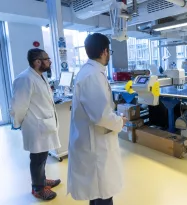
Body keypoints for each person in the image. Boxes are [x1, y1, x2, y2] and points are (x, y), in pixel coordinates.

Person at [67, 33, 127, 205]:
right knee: (102, 192)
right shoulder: (93, 75)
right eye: (109, 52)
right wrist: (119, 121)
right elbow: (101, 115)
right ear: (104, 52)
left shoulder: (90, 72)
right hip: (96, 147)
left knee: (97, 191)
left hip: (92, 141)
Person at [9, 48, 61, 200]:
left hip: (42, 125)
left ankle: (42, 181)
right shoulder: (25, 78)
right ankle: (38, 188)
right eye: (47, 59)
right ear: (37, 62)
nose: (50, 61)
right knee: (37, 159)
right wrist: (17, 123)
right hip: (35, 126)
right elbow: (19, 105)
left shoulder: (39, 76)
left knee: (43, 156)